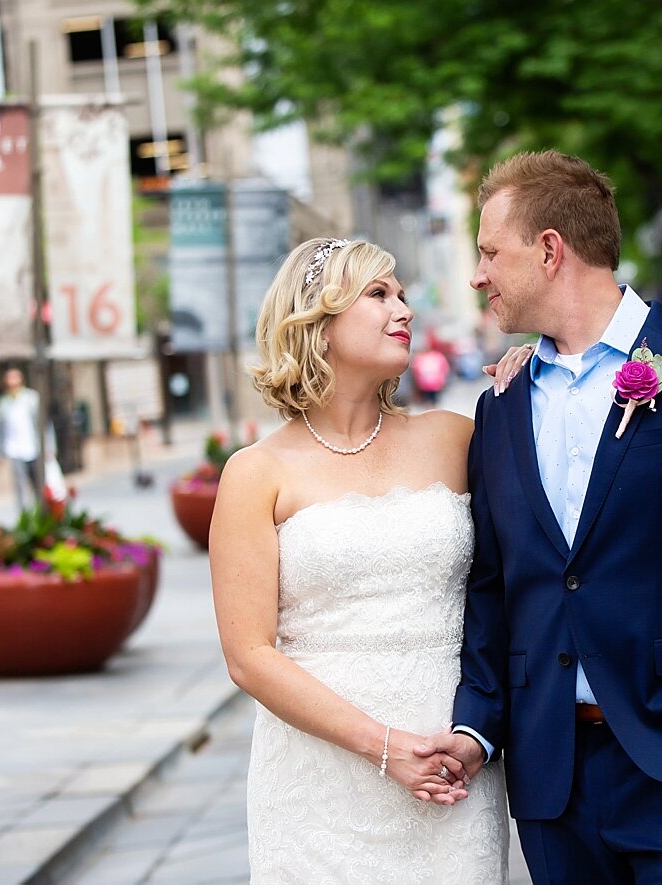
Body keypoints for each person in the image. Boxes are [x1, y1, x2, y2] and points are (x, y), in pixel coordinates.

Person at [415, 151, 662, 884]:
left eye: (490, 253)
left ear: (549, 250)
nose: (477, 275)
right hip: (551, 775)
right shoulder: (501, 405)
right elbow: (495, 585)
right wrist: (478, 724)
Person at [209, 237, 529, 884]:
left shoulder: (457, 437)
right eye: (379, 294)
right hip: (320, 785)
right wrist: (383, 747)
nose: (404, 309)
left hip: (451, 768)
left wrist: (535, 377)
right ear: (318, 320)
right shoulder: (256, 472)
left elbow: (529, 561)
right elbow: (249, 655)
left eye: (403, 294)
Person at [0, 367, 50, 512]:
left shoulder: (31, 398)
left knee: (39, 484)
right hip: (14, 449)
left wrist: (49, 446)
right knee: (20, 486)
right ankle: (24, 516)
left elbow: (44, 424)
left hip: (34, 447)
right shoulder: (2, 404)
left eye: (15, 378)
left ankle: (43, 514)